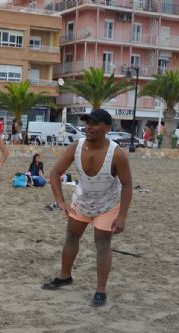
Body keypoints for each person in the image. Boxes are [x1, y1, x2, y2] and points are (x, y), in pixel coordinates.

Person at [43, 109, 132, 307]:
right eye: (87, 123)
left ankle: (100, 290)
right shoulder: (77, 146)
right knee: (71, 237)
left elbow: (127, 185)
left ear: (107, 128)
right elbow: (55, 173)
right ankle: (65, 276)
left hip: (108, 204)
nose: (88, 127)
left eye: (95, 124)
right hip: (82, 201)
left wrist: (123, 215)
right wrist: (60, 201)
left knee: (102, 244)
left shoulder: (117, 154)